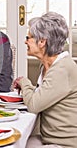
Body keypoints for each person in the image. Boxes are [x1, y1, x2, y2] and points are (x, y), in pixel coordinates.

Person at [13, 12, 77, 148]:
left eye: (28, 37)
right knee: (17, 142)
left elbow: (34, 105)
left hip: (64, 144)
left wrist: (24, 82)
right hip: (49, 138)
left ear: (42, 42)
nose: (25, 41)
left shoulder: (62, 69)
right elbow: (39, 97)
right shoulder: (48, 66)